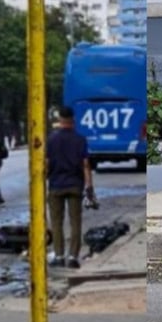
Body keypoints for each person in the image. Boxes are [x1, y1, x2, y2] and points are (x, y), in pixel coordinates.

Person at [46, 106, 97, 269]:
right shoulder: (80, 140)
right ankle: (73, 256)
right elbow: (85, 165)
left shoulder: (51, 139)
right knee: (76, 222)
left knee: (56, 222)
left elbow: (46, 164)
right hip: (75, 185)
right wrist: (89, 187)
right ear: (73, 120)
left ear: (60, 120)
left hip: (55, 185)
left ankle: (59, 256)